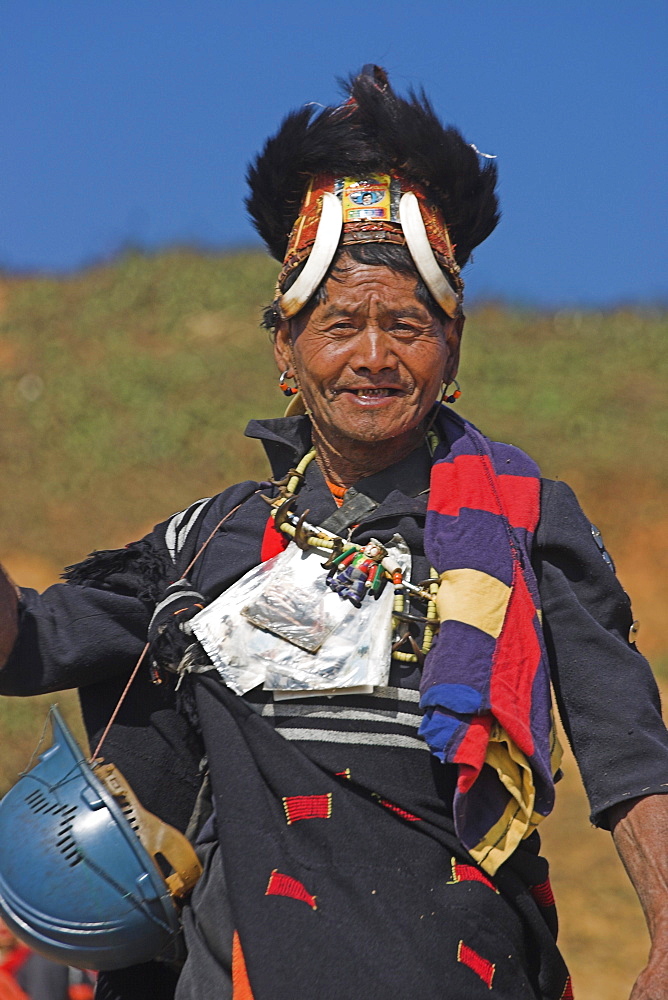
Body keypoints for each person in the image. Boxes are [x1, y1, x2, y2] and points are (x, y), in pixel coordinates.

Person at [0, 65, 666, 1000]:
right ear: (284, 348)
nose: (373, 356)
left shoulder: (521, 522)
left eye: (407, 325)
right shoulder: (207, 543)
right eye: (339, 323)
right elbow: (26, 644)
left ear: (454, 349)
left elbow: (625, 745)